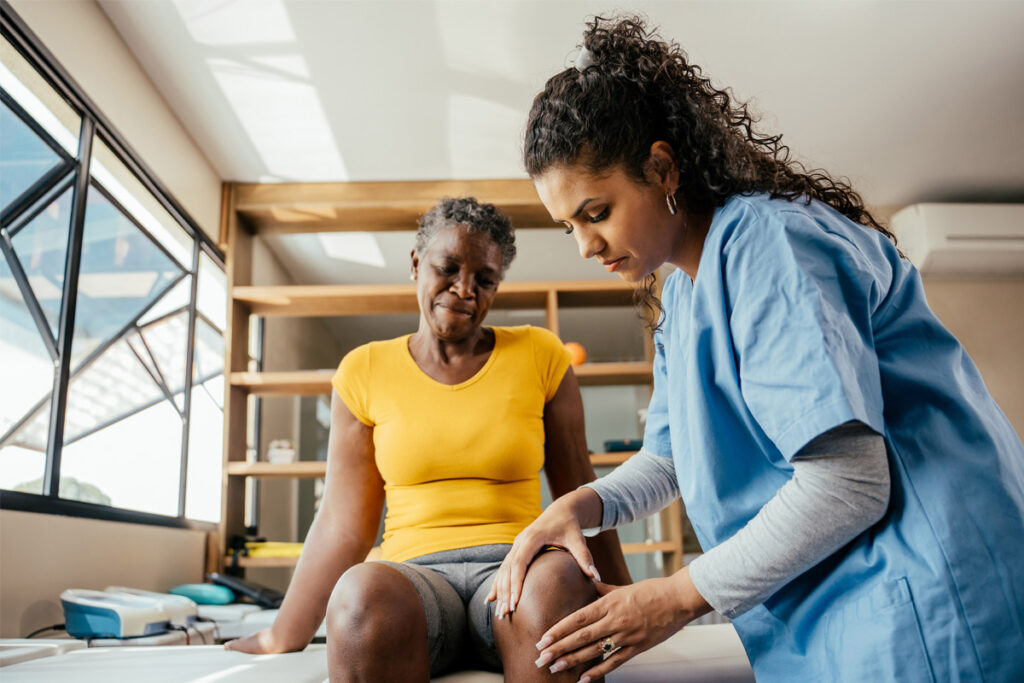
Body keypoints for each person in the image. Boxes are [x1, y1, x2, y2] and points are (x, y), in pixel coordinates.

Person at [487, 16, 1024, 683]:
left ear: (661, 167)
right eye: (568, 225)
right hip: (850, 611)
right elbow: (669, 457)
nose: (585, 245)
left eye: (596, 212)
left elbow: (849, 482)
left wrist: (673, 597)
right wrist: (580, 506)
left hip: (929, 592)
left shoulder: (766, 246)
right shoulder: (683, 295)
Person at [226, 197, 629, 681]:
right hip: (414, 581)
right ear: (417, 263)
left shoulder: (541, 354)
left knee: (559, 582)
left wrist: (625, 597)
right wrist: (282, 633)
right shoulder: (364, 370)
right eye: (448, 268)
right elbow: (341, 523)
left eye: (484, 280)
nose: (464, 289)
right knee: (359, 596)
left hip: (517, 572)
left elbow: (580, 496)